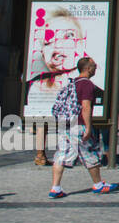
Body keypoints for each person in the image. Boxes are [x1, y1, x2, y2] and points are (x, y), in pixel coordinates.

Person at [47, 57, 113, 197]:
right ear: (88, 68)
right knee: (90, 152)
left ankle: (55, 188)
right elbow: (85, 106)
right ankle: (98, 184)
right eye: (94, 66)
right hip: (78, 124)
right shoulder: (87, 84)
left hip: (66, 123)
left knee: (61, 155)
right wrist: (88, 127)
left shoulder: (72, 83)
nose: (96, 68)